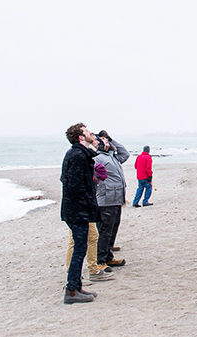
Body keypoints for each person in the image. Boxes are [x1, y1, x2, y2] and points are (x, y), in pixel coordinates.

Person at [60, 123, 101, 303]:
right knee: (79, 249)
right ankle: (71, 290)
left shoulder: (81, 154)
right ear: (80, 137)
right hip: (77, 211)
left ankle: (76, 286)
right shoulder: (77, 155)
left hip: (77, 210)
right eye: (86, 131)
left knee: (81, 248)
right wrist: (89, 204)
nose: (91, 132)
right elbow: (74, 185)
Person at [94, 130, 130, 269]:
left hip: (117, 198)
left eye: (107, 140)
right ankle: (101, 260)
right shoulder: (97, 157)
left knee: (113, 228)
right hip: (106, 199)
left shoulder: (113, 157)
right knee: (105, 231)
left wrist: (111, 139)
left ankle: (108, 257)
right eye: (104, 140)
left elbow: (125, 154)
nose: (107, 142)